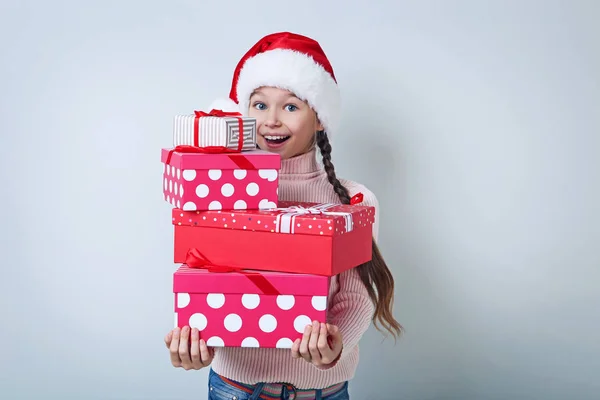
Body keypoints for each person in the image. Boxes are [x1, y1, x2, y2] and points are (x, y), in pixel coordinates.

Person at [164, 31, 402, 400]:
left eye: (290, 107)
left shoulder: (355, 199)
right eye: (259, 105)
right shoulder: (219, 194)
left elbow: (357, 295)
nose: (271, 121)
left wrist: (335, 343)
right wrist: (198, 340)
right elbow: (209, 285)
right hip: (234, 388)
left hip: (322, 391)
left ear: (319, 118)